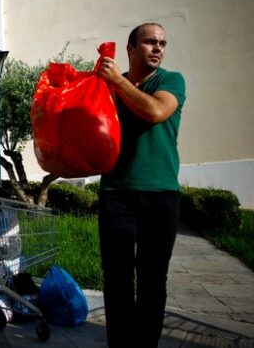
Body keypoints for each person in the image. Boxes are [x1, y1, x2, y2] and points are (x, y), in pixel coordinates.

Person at [96, 23, 186, 347]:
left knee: (151, 280)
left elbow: (156, 111)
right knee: (117, 281)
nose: (158, 48)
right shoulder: (108, 90)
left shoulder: (170, 81)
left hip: (161, 194)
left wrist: (117, 81)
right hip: (116, 195)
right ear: (131, 49)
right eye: (150, 42)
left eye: (162, 42)